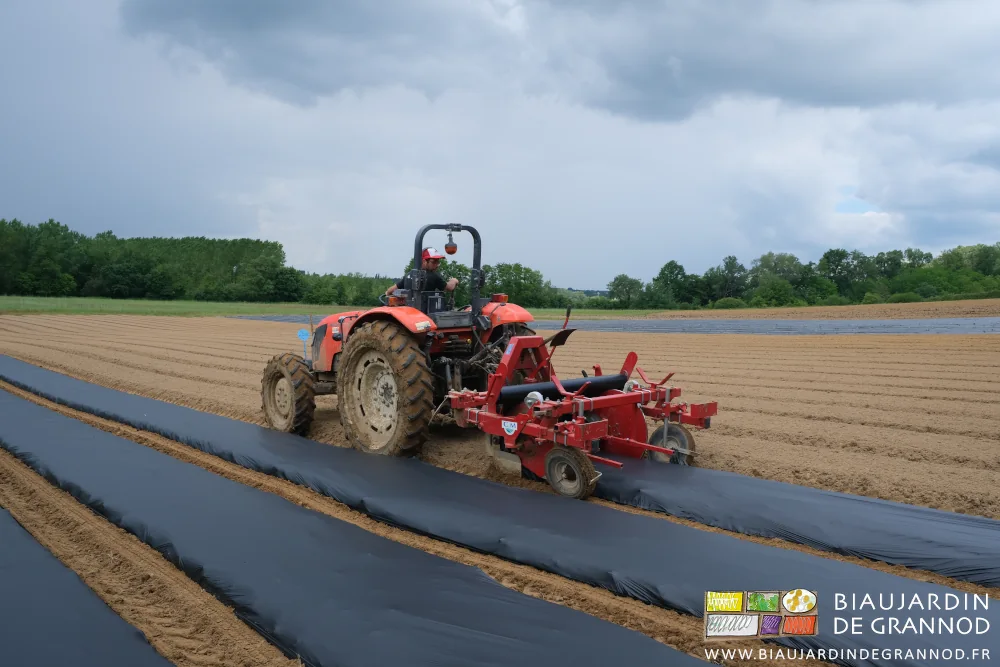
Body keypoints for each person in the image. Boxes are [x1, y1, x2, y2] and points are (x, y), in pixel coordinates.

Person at [385, 247, 459, 297]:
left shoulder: (409, 275)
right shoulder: (433, 276)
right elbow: (449, 287)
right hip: (426, 314)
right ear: (424, 261)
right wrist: (454, 280)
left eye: (438, 262)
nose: (437, 265)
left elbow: (389, 291)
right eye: (433, 262)